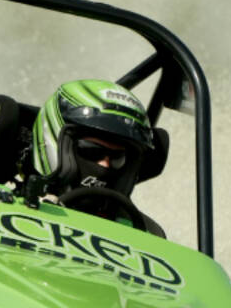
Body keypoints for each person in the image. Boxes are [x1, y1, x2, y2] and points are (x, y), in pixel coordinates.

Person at [30, 79, 163, 235]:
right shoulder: (0, 204)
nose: (105, 165)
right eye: (92, 151)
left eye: (117, 157)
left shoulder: (145, 233)